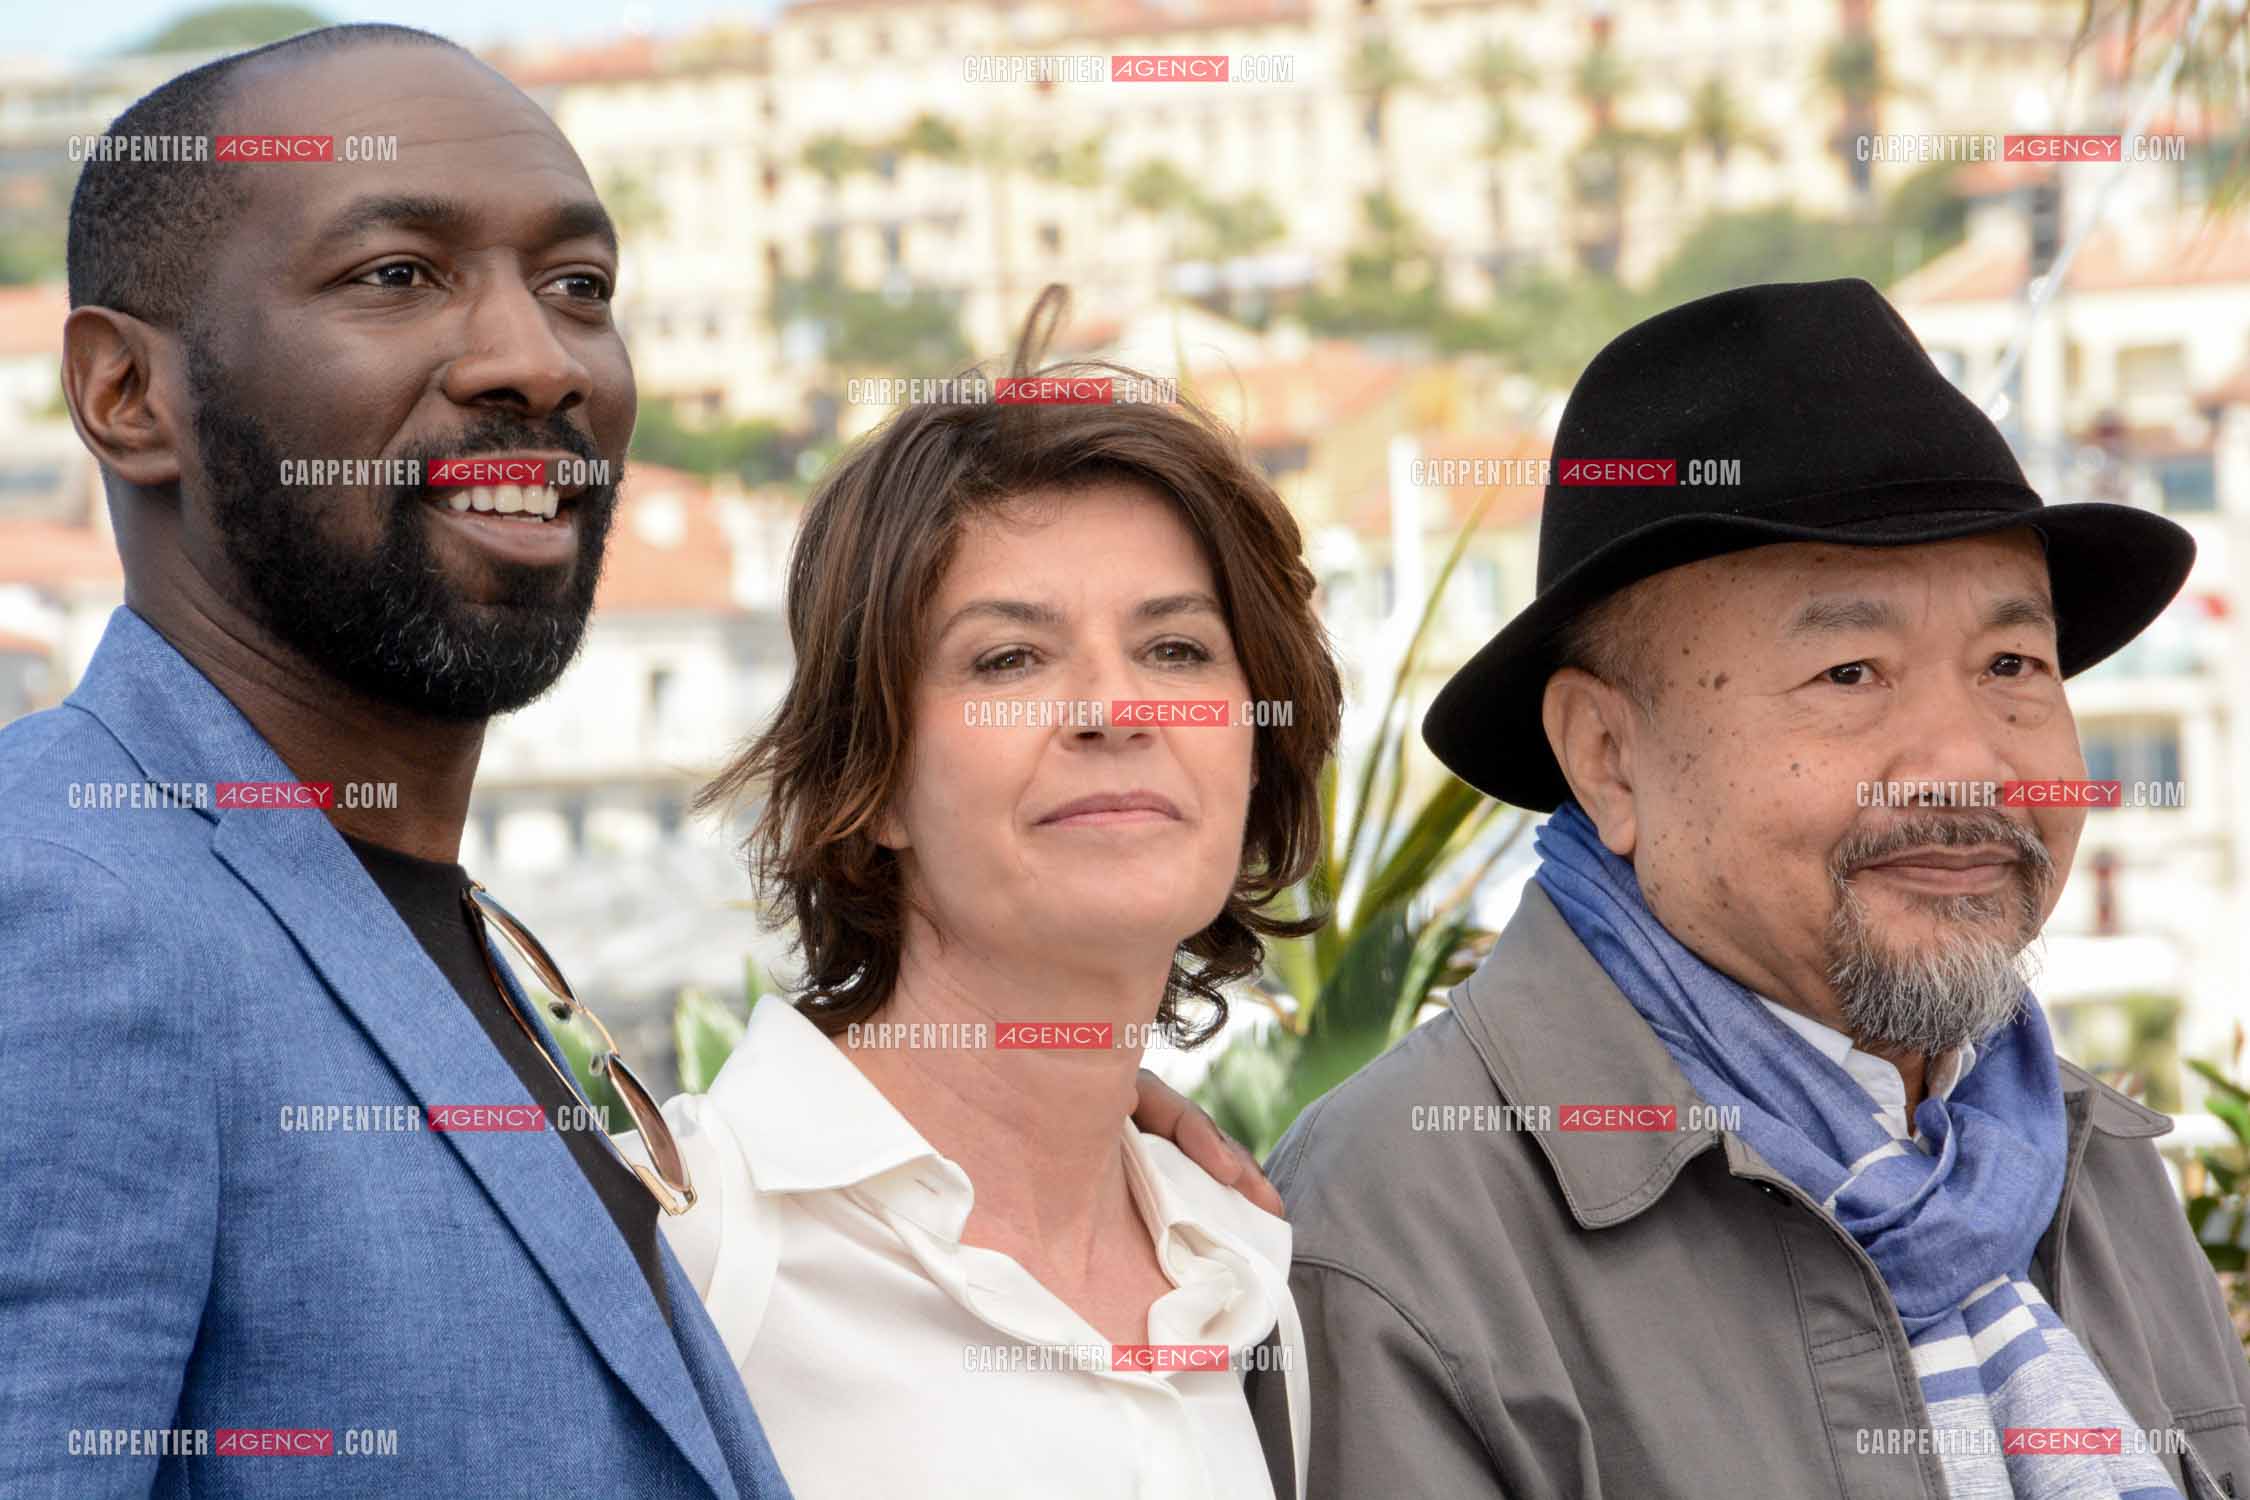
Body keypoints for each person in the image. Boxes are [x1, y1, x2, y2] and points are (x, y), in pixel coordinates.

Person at [0, 30, 1275, 1498]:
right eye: (396, 275)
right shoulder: (61, 909)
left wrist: (1060, 1096)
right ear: (123, 395)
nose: (532, 360)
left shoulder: (458, 956)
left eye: (578, 287)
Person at [1245, 278, 2250, 1499]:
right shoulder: (1398, 1235)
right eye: (1848, 670)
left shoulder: (2084, 1163)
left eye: (2010, 663)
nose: (1966, 763)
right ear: (1608, 757)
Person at [617, 305, 1341, 1500]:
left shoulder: (1249, 1289)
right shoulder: (695, 1248)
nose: (1115, 709)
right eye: (1010, 659)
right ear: (875, 779)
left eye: (1178, 651)